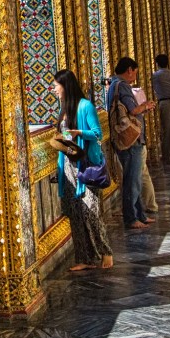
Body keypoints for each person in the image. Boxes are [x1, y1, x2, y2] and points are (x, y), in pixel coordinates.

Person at [53, 69, 113, 271]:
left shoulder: (85, 106)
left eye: (56, 86)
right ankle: (84, 258)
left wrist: (79, 132)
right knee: (75, 213)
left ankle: (106, 252)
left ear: (65, 86)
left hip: (86, 165)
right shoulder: (64, 108)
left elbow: (98, 133)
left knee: (91, 212)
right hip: (69, 165)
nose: (54, 90)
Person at [107, 57, 156, 230]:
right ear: (129, 70)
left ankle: (140, 214)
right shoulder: (122, 85)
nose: (134, 76)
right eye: (134, 72)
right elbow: (133, 110)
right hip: (130, 140)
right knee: (132, 180)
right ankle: (131, 218)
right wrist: (146, 106)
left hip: (126, 140)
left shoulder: (113, 85)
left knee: (133, 178)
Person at [132, 82, 159, 215]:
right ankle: (146, 205)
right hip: (136, 139)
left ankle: (147, 206)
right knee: (141, 173)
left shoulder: (132, 94)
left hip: (134, 140)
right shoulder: (136, 93)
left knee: (141, 173)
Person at [152, 53, 170, 164]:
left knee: (165, 130)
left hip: (165, 103)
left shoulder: (156, 75)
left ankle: (167, 157)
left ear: (157, 64)